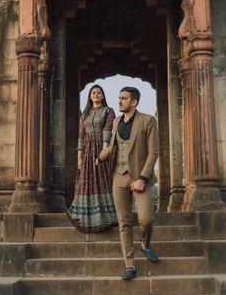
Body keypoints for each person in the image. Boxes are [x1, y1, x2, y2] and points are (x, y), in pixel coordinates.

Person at [98, 86, 159, 280]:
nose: (120, 101)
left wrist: (142, 178)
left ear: (134, 102)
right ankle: (130, 265)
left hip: (140, 177)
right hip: (119, 176)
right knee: (124, 223)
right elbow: (113, 147)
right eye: (119, 98)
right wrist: (102, 155)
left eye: (124, 98)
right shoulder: (115, 122)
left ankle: (146, 245)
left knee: (146, 220)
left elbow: (153, 153)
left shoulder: (148, 121)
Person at [67, 84, 117, 232]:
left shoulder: (108, 111)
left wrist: (104, 150)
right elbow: (81, 136)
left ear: (102, 96)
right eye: (93, 92)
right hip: (87, 150)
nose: (96, 94)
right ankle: (85, 216)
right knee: (85, 180)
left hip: (100, 147)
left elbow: (107, 129)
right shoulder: (85, 114)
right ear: (90, 96)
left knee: (101, 179)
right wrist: (79, 158)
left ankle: (105, 217)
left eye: (99, 93)